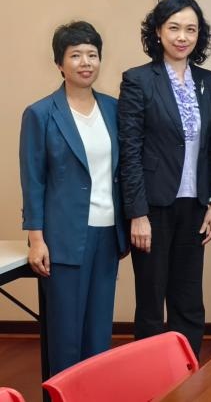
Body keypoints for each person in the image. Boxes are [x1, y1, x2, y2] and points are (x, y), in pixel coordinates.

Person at [19, 21, 128, 375]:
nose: (86, 62)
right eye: (76, 55)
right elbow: (33, 181)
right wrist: (37, 239)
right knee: (66, 337)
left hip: (107, 234)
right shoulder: (40, 114)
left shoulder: (113, 109)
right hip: (63, 238)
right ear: (60, 63)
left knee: (98, 334)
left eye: (92, 55)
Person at [119, 0, 211, 356]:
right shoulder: (138, 80)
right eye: (174, 28)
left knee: (189, 300)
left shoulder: (209, 82)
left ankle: (188, 374)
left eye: (191, 29)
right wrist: (137, 213)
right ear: (158, 32)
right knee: (151, 302)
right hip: (153, 207)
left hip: (194, 205)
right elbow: (130, 152)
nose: (182, 37)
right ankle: (150, 377)